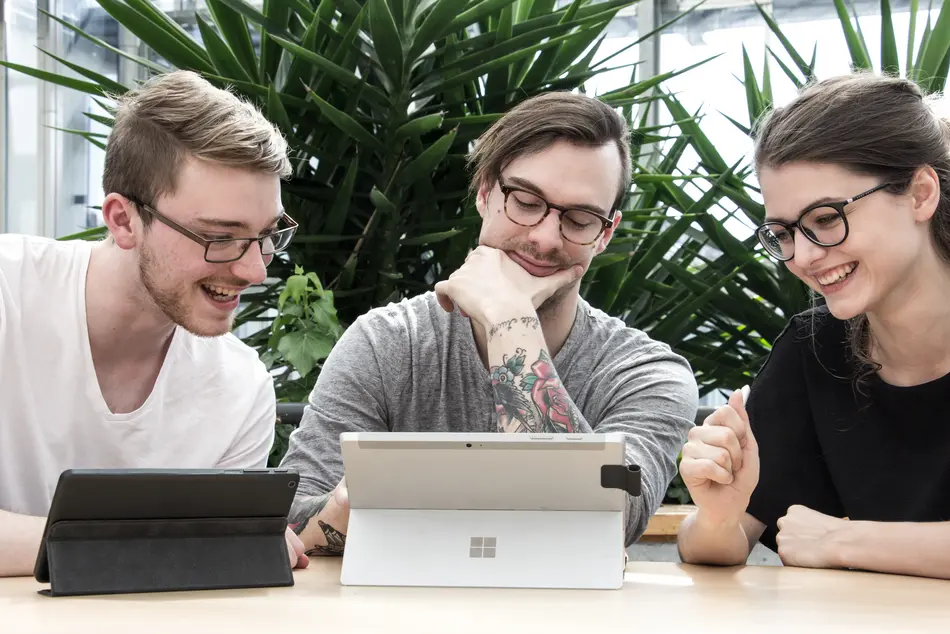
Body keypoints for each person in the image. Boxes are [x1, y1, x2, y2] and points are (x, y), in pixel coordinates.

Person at [279, 91, 699, 555]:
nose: (543, 237)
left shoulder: (646, 374)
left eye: (579, 218)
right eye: (525, 200)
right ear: (484, 192)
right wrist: (348, 504)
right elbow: (291, 523)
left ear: (606, 233)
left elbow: (605, 524)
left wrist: (510, 322)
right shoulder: (386, 343)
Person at [0, 70, 308, 576]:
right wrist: (169, 536)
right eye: (219, 236)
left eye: (268, 234)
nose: (255, 270)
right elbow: (195, 550)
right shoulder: (11, 296)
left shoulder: (240, 387)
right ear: (123, 220)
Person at [676, 73, 950, 580]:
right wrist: (718, 514)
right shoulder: (813, 347)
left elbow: (819, 540)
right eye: (782, 233)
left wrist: (843, 540)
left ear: (920, 194)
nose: (802, 256)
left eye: (826, 219)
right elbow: (717, 547)